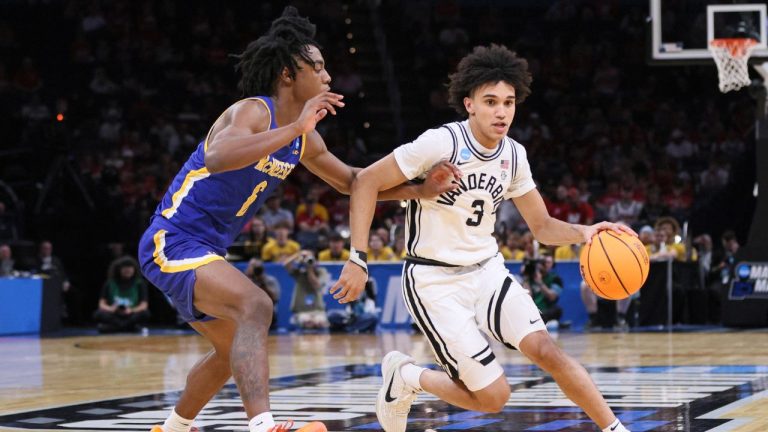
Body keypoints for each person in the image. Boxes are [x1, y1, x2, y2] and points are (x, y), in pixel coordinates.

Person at [137, 7, 459, 432]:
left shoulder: (304, 136)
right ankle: (264, 426)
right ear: (288, 74)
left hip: (205, 251)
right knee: (256, 304)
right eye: (319, 67)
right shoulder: (253, 111)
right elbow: (217, 157)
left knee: (229, 351)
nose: (328, 77)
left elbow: (352, 181)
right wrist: (295, 129)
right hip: (171, 241)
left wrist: (418, 188)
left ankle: (173, 429)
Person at [333, 44, 634, 432]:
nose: (501, 111)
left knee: (547, 350)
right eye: (490, 101)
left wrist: (587, 232)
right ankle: (406, 377)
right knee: (494, 398)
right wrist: (358, 257)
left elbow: (541, 227)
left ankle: (615, 429)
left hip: (488, 270)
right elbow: (365, 181)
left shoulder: (514, 155)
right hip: (434, 281)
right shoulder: (441, 143)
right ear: (469, 103)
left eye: (508, 102)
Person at [93, 256, 150, 333]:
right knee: (98, 314)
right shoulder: (110, 283)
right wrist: (111, 309)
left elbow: (144, 305)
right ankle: (130, 327)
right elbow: (101, 304)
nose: (128, 270)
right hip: (114, 314)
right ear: (118, 269)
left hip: (131, 314)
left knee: (145, 314)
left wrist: (131, 310)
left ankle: (114, 328)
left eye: (130, 268)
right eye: (125, 268)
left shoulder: (139, 283)